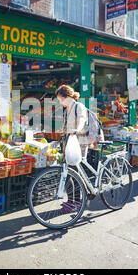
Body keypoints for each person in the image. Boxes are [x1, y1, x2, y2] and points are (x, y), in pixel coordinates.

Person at [55, 85, 88, 213]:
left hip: (78, 143)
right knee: (69, 172)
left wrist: (76, 130)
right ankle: (75, 200)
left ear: (67, 97)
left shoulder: (78, 107)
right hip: (69, 143)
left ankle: (73, 201)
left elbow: (81, 120)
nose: (59, 102)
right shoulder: (67, 108)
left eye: (60, 99)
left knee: (73, 172)